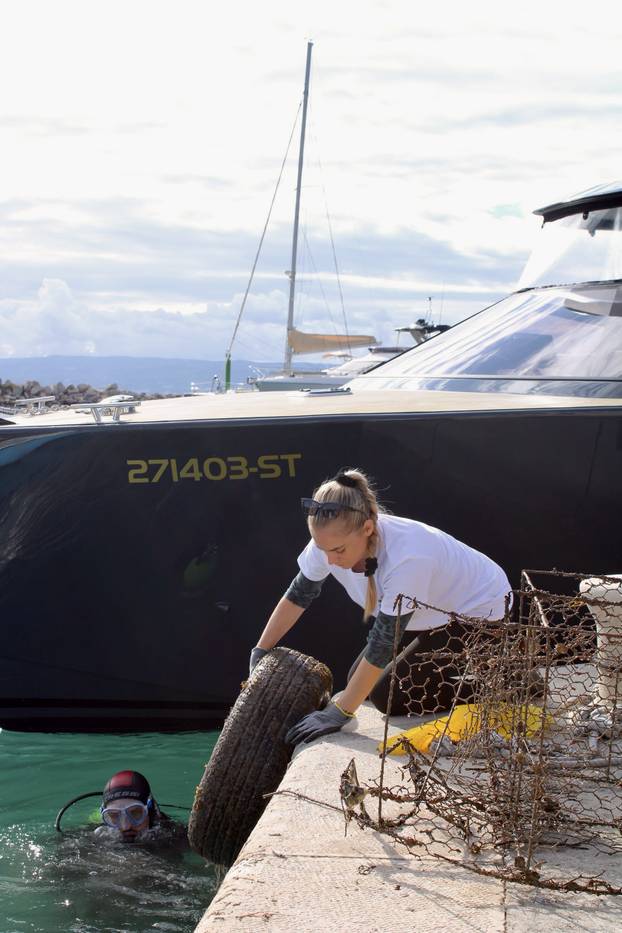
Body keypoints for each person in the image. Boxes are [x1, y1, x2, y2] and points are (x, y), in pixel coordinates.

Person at [249, 469, 512, 745]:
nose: (330, 560)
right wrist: (261, 649)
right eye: (322, 549)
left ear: (367, 529)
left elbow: (383, 641)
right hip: (428, 611)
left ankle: (507, 683)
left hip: (477, 610)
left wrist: (340, 712)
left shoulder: (407, 558)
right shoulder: (329, 542)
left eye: (338, 551)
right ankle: (488, 671)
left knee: (390, 696)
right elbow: (299, 595)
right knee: (358, 681)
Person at [97, 770, 163, 842]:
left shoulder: (172, 837)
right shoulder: (98, 834)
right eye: (115, 815)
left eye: (135, 813)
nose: (125, 827)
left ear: (150, 811)